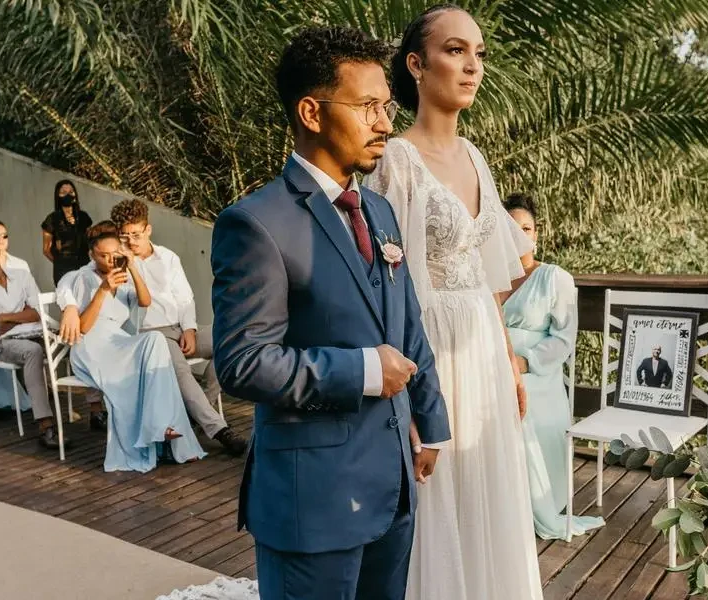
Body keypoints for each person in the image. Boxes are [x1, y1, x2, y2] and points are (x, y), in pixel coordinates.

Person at [211, 26, 450, 600]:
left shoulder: (380, 210)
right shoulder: (256, 223)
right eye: (369, 107)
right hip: (312, 501)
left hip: (392, 484)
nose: (386, 124)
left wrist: (431, 420)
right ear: (312, 112)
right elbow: (243, 362)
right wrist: (365, 371)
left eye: (387, 107)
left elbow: (407, 322)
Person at [362, 6, 542, 599]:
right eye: (456, 50)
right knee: (435, 489)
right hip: (428, 344)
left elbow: (490, 275)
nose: (472, 66)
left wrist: (509, 359)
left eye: (479, 54)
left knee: (487, 486)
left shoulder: (476, 157)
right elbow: (383, 284)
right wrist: (408, 385)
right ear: (416, 64)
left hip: (484, 349)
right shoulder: (394, 160)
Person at [501, 193, 605, 540]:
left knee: (514, 404)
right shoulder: (488, 280)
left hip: (535, 375)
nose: (519, 235)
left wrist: (523, 362)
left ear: (536, 234)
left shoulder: (554, 278)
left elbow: (563, 340)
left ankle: (530, 504)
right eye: (511, 228)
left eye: (526, 228)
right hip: (491, 368)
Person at [108, 198, 246, 455]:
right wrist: (131, 266)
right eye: (124, 236)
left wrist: (190, 329)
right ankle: (220, 430)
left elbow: (184, 297)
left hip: (179, 327)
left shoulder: (168, 257)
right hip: (151, 334)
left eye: (135, 234)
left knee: (228, 343)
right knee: (182, 371)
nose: (130, 242)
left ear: (148, 229)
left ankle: (197, 411)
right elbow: (135, 306)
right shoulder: (120, 266)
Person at [66, 221, 205, 472]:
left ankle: (162, 426)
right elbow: (83, 327)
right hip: (91, 346)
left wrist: (133, 268)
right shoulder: (82, 278)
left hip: (117, 341)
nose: (109, 259)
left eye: (114, 254)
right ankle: (161, 429)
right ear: (91, 255)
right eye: (102, 255)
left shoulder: (123, 275)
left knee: (155, 340)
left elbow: (145, 300)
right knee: (152, 347)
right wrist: (103, 289)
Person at [0, 235, 64, 449]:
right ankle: (45, 426)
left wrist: (4, 316)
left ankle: (96, 411)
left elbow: (38, 312)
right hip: (5, 343)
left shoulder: (22, 275)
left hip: (37, 333)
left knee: (74, 342)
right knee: (33, 351)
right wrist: (21, 314)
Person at [41, 179, 93, 286]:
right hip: (63, 270)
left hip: (84, 266)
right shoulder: (52, 219)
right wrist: (60, 263)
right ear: (57, 196)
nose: (68, 195)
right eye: (63, 192)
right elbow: (46, 250)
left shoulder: (83, 217)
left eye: (71, 192)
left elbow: (91, 241)